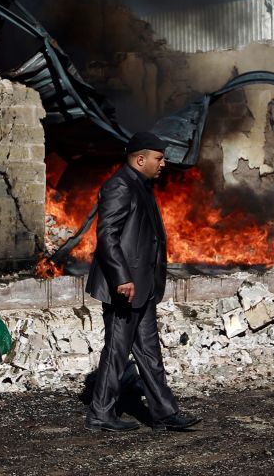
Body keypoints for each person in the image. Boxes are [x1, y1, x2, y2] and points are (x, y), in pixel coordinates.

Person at [84, 131, 201, 433]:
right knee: (116, 350)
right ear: (140, 159)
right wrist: (122, 278)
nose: (164, 164)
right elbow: (107, 235)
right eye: (159, 158)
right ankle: (100, 413)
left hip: (144, 286)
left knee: (149, 351)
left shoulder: (142, 186)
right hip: (125, 287)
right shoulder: (120, 186)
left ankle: (164, 413)